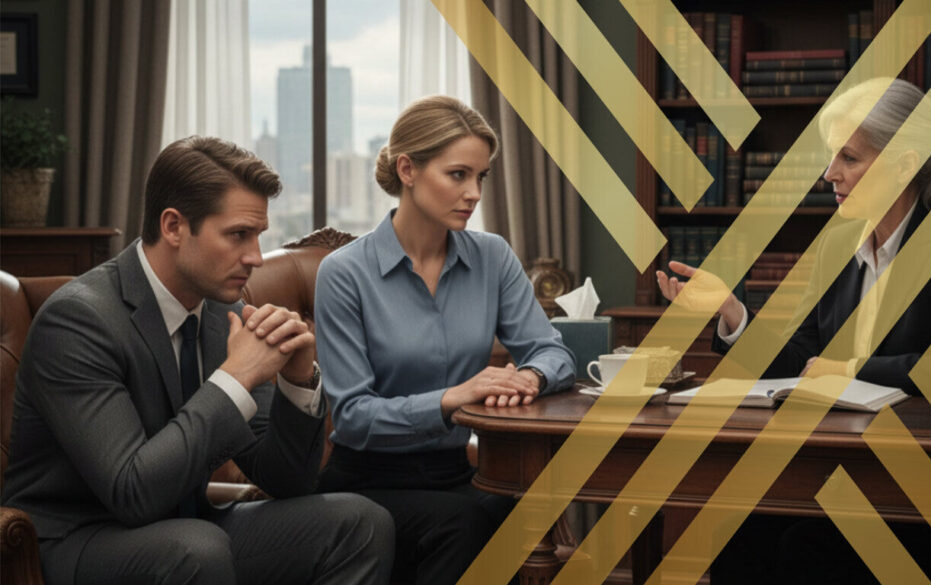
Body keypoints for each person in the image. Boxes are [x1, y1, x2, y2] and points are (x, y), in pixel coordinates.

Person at [657, 78, 931, 583]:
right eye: (831, 157)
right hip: (830, 455)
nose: (830, 174)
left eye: (849, 158)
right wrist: (733, 314)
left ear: (905, 163)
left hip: (919, 478)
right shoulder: (837, 244)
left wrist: (849, 370)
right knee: (735, 527)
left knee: (806, 549)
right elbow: (802, 357)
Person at [2, 136, 394, 585]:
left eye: (258, 236)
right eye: (238, 235)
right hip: (78, 542)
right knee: (196, 548)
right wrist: (236, 376)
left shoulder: (220, 314)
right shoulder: (78, 320)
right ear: (173, 227)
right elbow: (132, 493)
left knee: (360, 523)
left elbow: (287, 481)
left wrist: (298, 379)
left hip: (190, 535)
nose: (254, 258)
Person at [314, 95, 576, 584]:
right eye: (458, 175)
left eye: (481, 176)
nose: (474, 192)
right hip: (368, 481)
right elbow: (351, 417)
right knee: (467, 523)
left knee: (521, 511)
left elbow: (552, 351)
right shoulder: (344, 273)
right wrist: (452, 399)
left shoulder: (492, 257)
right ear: (408, 169)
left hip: (458, 471)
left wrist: (531, 375)